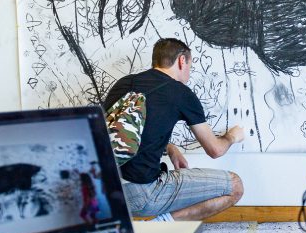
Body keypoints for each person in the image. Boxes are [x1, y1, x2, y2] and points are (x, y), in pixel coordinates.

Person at [102, 38, 245, 221]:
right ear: (181, 60)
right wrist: (233, 136)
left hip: (107, 191)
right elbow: (215, 150)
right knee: (235, 186)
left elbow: (124, 131)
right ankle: (161, 225)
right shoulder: (181, 93)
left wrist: (170, 148)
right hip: (143, 195)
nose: (189, 72)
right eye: (190, 65)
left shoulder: (124, 83)